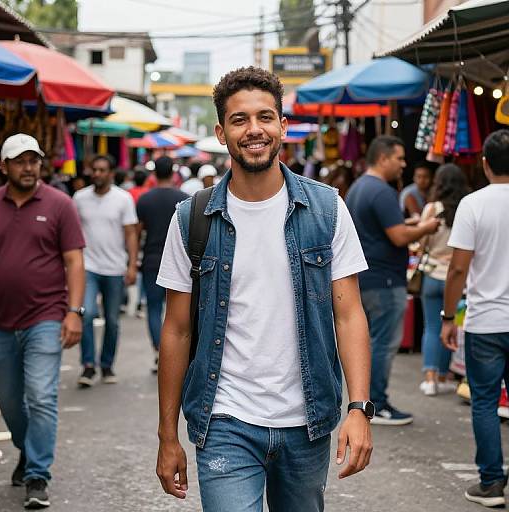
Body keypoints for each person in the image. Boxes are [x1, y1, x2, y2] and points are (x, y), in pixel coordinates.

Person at [155, 66, 373, 512]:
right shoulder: (190, 219)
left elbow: (349, 313)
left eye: (265, 117)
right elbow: (176, 331)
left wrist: (359, 408)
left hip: (307, 422)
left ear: (282, 126)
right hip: (224, 420)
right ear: (221, 132)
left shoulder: (327, 210)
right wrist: (166, 436)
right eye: (239, 120)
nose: (254, 129)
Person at [0, 134, 85, 509]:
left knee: (41, 395)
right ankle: (26, 448)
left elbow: (74, 262)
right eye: (20, 161)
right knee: (9, 401)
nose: (28, 167)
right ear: (4, 166)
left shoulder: (60, 204)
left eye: (33, 160)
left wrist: (74, 312)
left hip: (45, 317)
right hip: (0, 323)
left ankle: (37, 475)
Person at [346, 136, 440, 425]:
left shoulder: (359, 187)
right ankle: (377, 404)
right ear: (383, 158)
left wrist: (409, 225)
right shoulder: (382, 191)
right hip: (385, 280)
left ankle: (367, 402)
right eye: (399, 158)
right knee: (384, 344)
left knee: (372, 342)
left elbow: (384, 228)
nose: (403, 164)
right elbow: (398, 236)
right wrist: (426, 227)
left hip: (366, 277)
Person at [441, 130, 509, 508]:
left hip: (485, 321)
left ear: (484, 163)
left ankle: (491, 483)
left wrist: (449, 316)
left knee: (484, 402)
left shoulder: (473, 204)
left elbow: (457, 270)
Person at [74, 154, 138, 387]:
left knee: (112, 320)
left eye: (103, 170)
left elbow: (131, 233)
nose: (98, 174)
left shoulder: (123, 199)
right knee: (87, 313)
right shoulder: (79, 198)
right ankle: (88, 365)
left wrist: (131, 265)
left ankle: (107, 365)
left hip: (114, 268)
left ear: (111, 173)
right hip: (87, 266)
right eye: (95, 170)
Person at [418, 164, 468, 396]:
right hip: (456, 280)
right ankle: (443, 375)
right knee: (451, 325)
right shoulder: (466, 209)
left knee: (431, 326)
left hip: (431, 274)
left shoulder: (431, 208)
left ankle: (430, 379)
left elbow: (421, 245)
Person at [136, 156, 188, 372]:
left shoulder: (145, 200)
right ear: (173, 172)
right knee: (179, 311)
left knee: (154, 308)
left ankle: (160, 351)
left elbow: (138, 232)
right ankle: (175, 353)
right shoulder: (185, 199)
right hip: (182, 262)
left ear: (154, 173)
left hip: (152, 259)